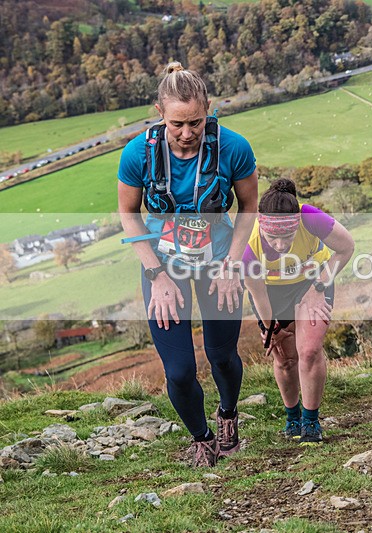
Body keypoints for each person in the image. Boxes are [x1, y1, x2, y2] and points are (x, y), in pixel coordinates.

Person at [118, 62, 258, 467]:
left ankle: (228, 412)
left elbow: (249, 206)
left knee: (222, 355)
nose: (186, 133)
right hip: (164, 269)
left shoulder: (233, 147)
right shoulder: (137, 153)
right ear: (159, 113)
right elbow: (129, 213)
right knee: (179, 370)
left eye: (196, 122)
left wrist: (233, 264)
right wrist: (155, 274)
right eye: (176, 123)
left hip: (218, 263)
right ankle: (201, 436)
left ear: (209, 109)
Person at [242, 179, 354, 446]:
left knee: (309, 350)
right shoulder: (248, 242)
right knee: (284, 358)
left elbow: (346, 248)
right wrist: (271, 329)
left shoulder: (310, 217)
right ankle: (292, 415)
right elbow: (257, 294)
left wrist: (318, 287)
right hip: (271, 293)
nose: (280, 245)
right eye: (273, 238)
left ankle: (311, 420)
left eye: (287, 237)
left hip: (313, 282)